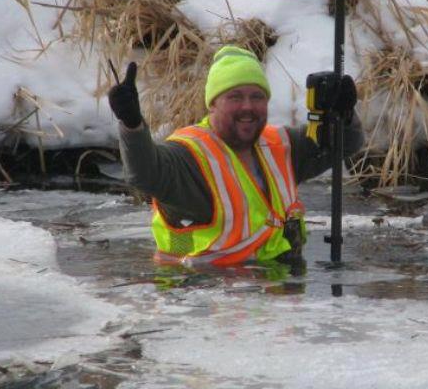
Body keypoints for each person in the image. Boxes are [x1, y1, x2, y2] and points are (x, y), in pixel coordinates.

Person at [107, 45, 364, 267]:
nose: (248, 107)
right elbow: (144, 172)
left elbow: (344, 144)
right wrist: (132, 125)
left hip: (277, 297)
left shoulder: (281, 145)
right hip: (201, 296)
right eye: (234, 97)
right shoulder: (188, 156)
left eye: (257, 97)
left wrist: (343, 112)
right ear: (213, 104)